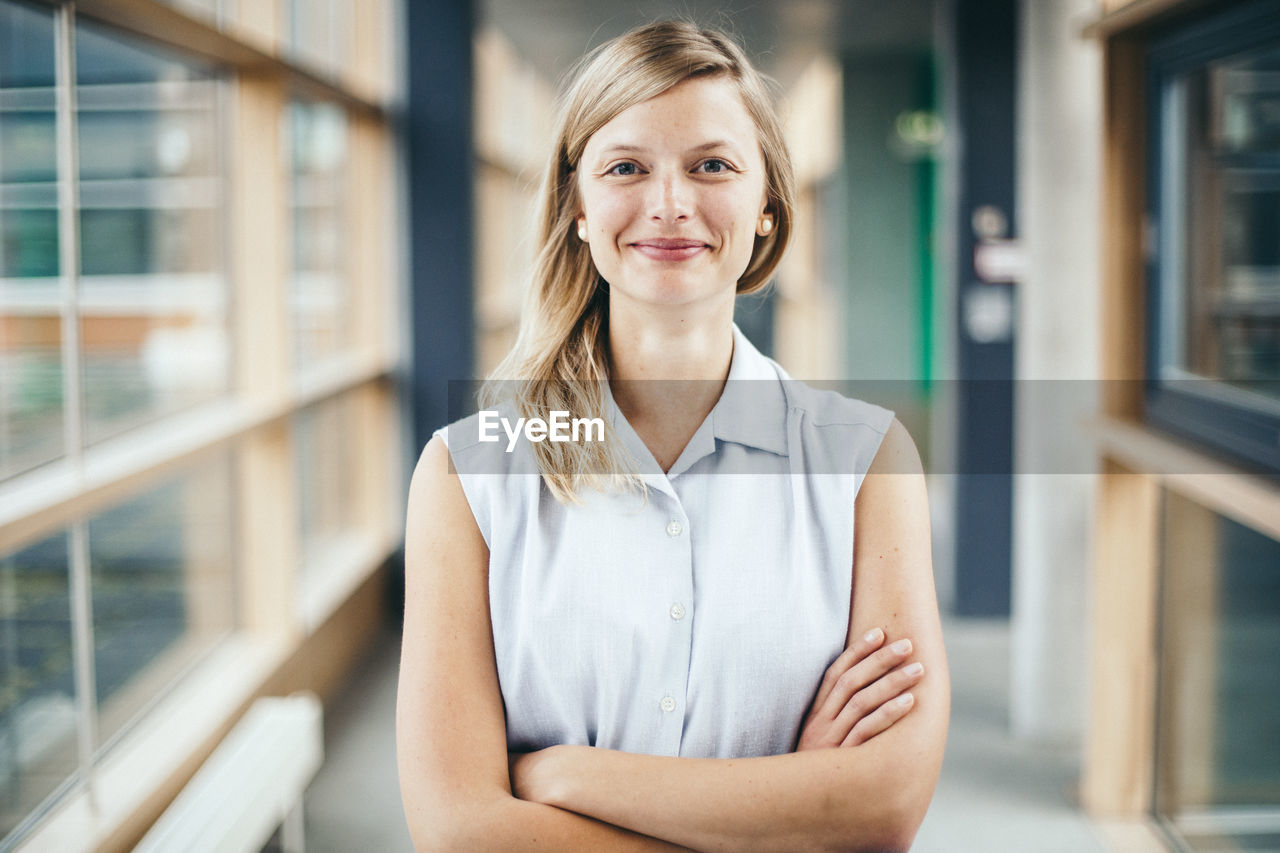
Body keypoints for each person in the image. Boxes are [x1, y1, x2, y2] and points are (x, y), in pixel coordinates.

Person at [396, 20, 948, 852]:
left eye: (712, 165)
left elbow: (883, 807)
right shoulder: (466, 474)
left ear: (767, 207)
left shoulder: (866, 462)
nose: (669, 204)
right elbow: (462, 831)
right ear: (577, 208)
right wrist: (789, 815)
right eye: (625, 167)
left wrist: (564, 774)